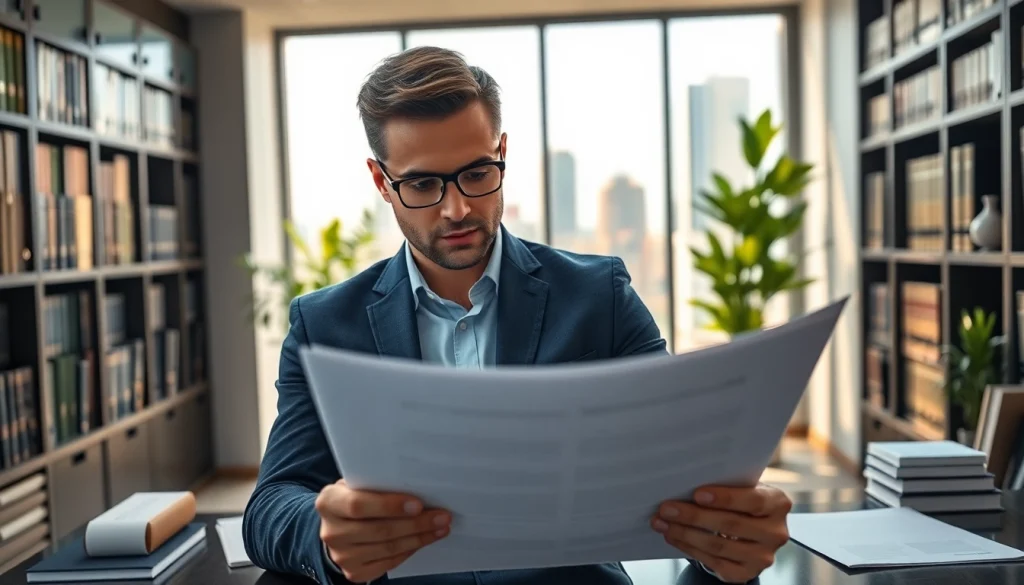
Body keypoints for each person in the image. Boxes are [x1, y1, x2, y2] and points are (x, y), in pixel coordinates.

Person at [241, 46, 793, 585]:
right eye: (423, 184)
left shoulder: (599, 295)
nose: (456, 208)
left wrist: (730, 538)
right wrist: (326, 534)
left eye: (477, 173)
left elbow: (687, 473)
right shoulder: (324, 324)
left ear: (501, 151)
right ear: (383, 182)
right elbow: (270, 506)